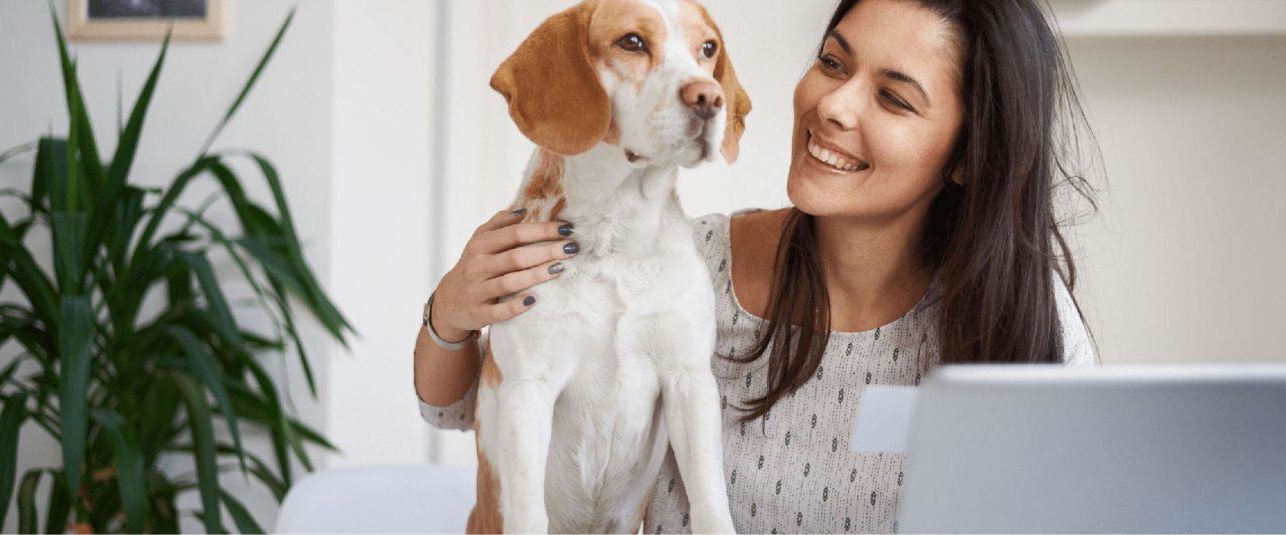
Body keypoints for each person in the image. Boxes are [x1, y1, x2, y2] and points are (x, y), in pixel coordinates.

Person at [412, 0, 1104, 532]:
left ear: (965, 156)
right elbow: (464, 410)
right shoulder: (690, 264)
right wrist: (450, 313)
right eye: (833, 63)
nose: (832, 105)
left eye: (893, 97)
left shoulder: (1015, 312)